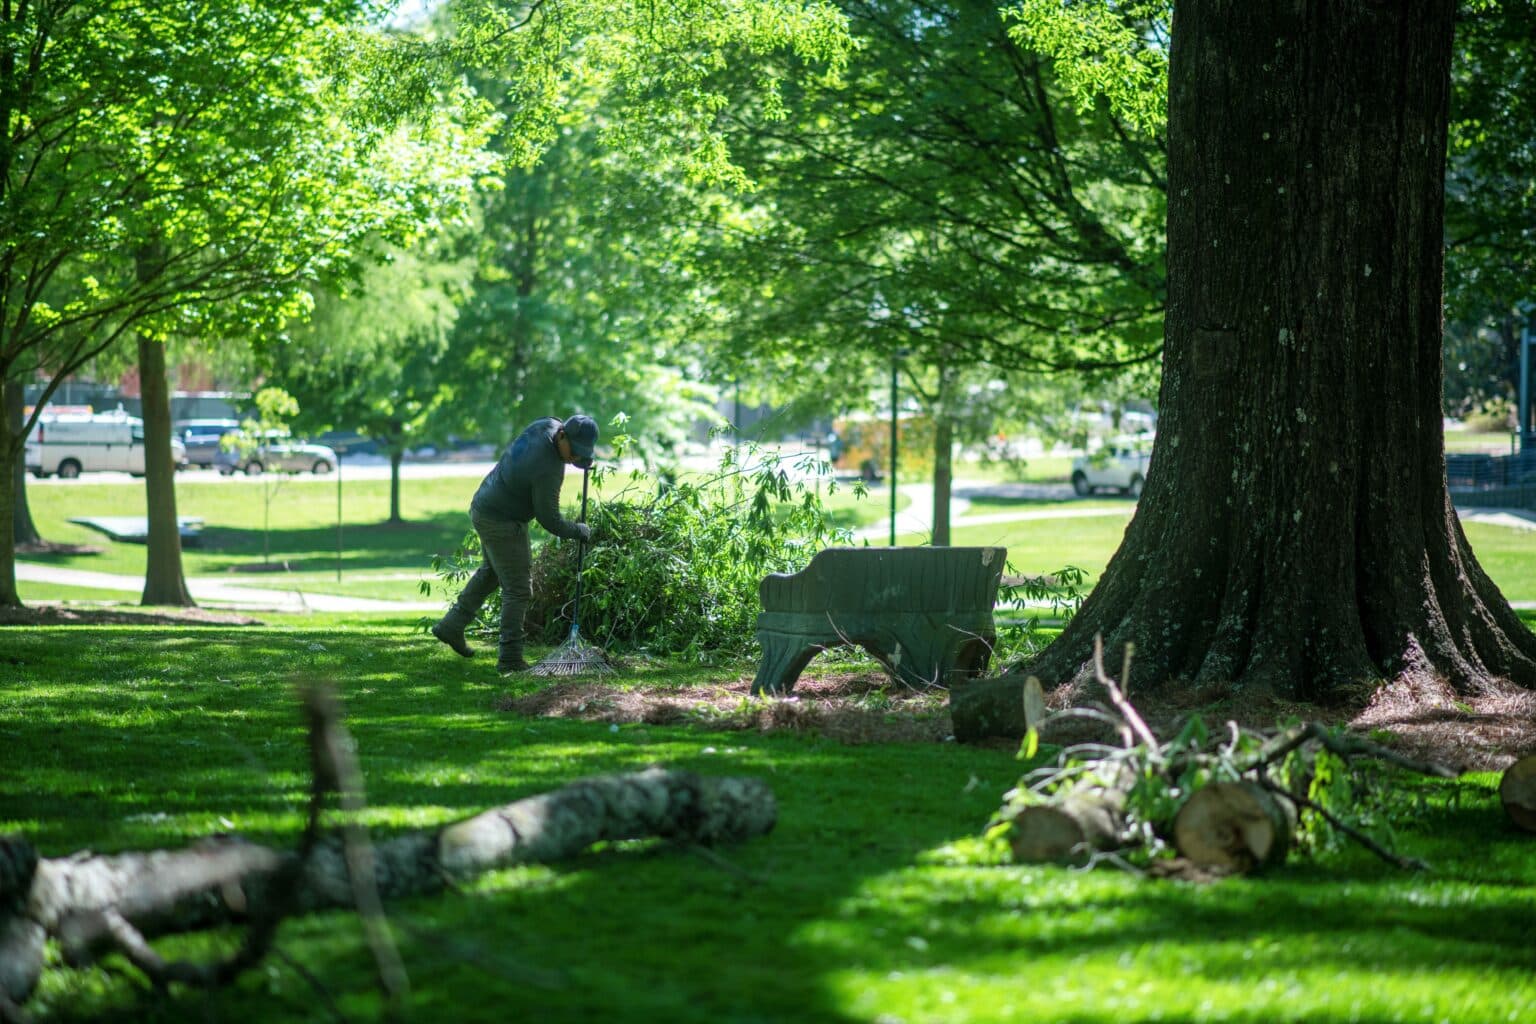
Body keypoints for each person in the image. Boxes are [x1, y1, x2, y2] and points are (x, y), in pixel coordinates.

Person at [431, 414, 599, 672]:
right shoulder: (548, 468)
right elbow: (550, 520)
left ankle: (451, 626)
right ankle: (510, 658)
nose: (574, 458)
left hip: (485, 504)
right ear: (563, 435)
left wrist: (584, 457)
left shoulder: (547, 425)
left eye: (581, 454)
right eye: (574, 452)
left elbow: (557, 431)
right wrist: (578, 530)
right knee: (518, 588)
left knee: (491, 573)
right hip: (502, 520)